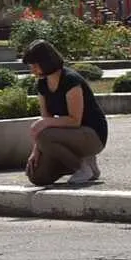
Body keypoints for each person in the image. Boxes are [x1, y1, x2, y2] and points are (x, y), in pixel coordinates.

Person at [22, 41, 108, 187]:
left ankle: (82, 167)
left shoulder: (70, 80)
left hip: (92, 134)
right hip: (67, 135)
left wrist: (45, 124)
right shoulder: (42, 84)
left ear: (46, 62)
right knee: (36, 176)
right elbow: (46, 118)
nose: (32, 70)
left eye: (35, 65)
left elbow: (75, 120)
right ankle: (82, 164)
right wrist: (36, 150)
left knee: (45, 135)